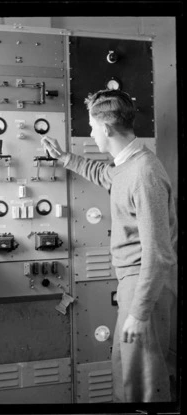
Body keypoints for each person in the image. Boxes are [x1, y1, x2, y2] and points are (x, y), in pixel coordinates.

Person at [41, 89, 178, 403]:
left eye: (91, 126)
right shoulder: (127, 165)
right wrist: (64, 158)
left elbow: (158, 254)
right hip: (136, 284)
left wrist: (139, 313)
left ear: (105, 129)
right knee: (128, 371)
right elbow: (105, 175)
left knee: (143, 381)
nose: (89, 132)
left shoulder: (145, 174)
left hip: (145, 285)